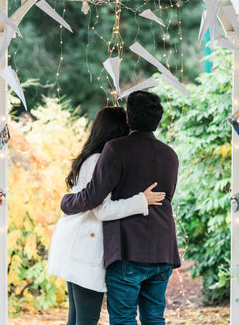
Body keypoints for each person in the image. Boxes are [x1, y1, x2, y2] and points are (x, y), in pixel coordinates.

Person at [61, 91, 180, 325]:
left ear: (128, 118)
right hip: (163, 248)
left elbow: (94, 196)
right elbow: (168, 196)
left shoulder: (115, 149)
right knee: (155, 318)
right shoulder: (170, 154)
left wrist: (67, 201)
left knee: (124, 319)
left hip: (128, 249)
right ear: (157, 119)